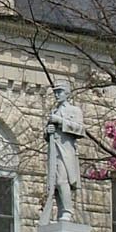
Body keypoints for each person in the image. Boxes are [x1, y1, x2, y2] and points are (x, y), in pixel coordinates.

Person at [43, 81, 84, 222]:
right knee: (54, 183)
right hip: (53, 151)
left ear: (67, 93)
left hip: (66, 150)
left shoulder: (74, 110)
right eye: (55, 92)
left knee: (62, 180)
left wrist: (60, 121)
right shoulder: (53, 112)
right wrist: (48, 132)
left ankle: (67, 211)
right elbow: (47, 134)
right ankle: (61, 213)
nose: (57, 95)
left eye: (59, 92)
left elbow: (80, 129)